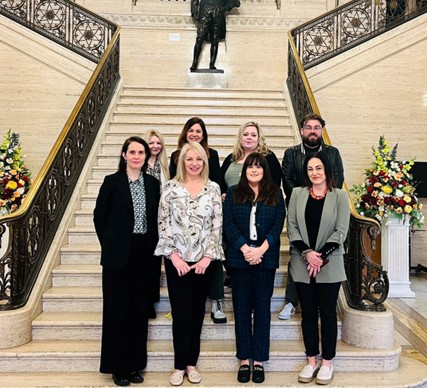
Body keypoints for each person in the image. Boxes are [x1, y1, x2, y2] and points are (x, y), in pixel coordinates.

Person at [155, 142, 225, 386]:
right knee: (181, 314)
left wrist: (207, 257)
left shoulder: (213, 188)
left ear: (204, 162)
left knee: (196, 315)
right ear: (182, 161)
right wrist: (174, 257)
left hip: (204, 262)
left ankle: (191, 364)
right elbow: (163, 224)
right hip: (178, 263)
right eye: (189, 159)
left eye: (199, 159)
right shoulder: (170, 188)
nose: (194, 163)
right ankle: (178, 365)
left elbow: (217, 226)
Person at [93, 136, 160, 387]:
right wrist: (111, 244)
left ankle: (134, 365)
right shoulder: (112, 182)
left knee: (139, 311)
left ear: (145, 157)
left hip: (145, 253)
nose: (136, 156)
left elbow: (156, 218)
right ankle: (117, 366)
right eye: (132, 151)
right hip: (117, 256)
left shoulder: (153, 184)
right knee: (116, 311)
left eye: (141, 152)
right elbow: (100, 217)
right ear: (124, 155)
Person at [287, 152, 350, 385]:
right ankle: (311, 360)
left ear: (327, 171)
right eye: (310, 169)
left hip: (330, 264)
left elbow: (341, 230)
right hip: (303, 263)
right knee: (308, 315)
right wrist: (308, 254)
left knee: (328, 314)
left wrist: (320, 256)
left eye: (319, 168)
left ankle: (327, 363)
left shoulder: (340, 196)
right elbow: (292, 227)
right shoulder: (297, 194)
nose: (314, 173)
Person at [223, 152, 285, 384]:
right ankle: (243, 360)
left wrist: (260, 250)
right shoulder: (233, 193)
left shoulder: (276, 194)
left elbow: (278, 225)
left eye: (259, 166)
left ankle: (258, 360)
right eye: (250, 166)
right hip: (240, 260)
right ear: (244, 170)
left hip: (265, 259)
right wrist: (245, 249)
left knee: (261, 310)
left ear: (265, 170)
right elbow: (228, 224)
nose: (254, 170)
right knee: (241, 309)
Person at [279, 113, 344, 321]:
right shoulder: (291, 153)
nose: (313, 131)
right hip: (300, 211)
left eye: (317, 127)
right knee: (298, 257)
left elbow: (338, 179)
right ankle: (291, 301)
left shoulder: (333, 153)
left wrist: (322, 198)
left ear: (322, 130)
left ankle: (324, 302)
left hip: (326, 211)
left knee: (322, 256)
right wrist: (304, 196)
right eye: (309, 127)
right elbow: (286, 181)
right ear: (302, 131)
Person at [169, 117, 227, 324]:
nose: (195, 134)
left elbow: (217, 182)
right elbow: (173, 183)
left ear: (204, 135)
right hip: (182, 227)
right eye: (191, 130)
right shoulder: (176, 156)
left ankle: (217, 299)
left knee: (214, 256)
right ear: (185, 132)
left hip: (207, 215)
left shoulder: (212, 155)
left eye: (199, 131)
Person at [220, 121, 282, 288]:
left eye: (253, 135)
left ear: (259, 138)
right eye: (245, 134)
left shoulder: (268, 157)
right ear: (240, 137)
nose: (249, 138)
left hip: (261, 214)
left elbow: (274, 185)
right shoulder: (231, 158)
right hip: (235, 211)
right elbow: (220, 182)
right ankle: (234, 275)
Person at [143, 130, 170, 319]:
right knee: (146, 262)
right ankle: (146, 301)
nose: (155, 146)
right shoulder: (139, 164)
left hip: (162, 218)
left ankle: (153, 297)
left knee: (155, 262)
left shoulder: (165, 166)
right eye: (151, 143)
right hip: (144, 219)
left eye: (158, 143)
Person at [190, 0, 240, 70]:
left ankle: (212, 64)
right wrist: (194, 11)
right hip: (204, 10)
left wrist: (224, 8)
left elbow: (235, 2)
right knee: (200, 37)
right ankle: (194, 63)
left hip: (218, 10)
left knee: (215, 39)